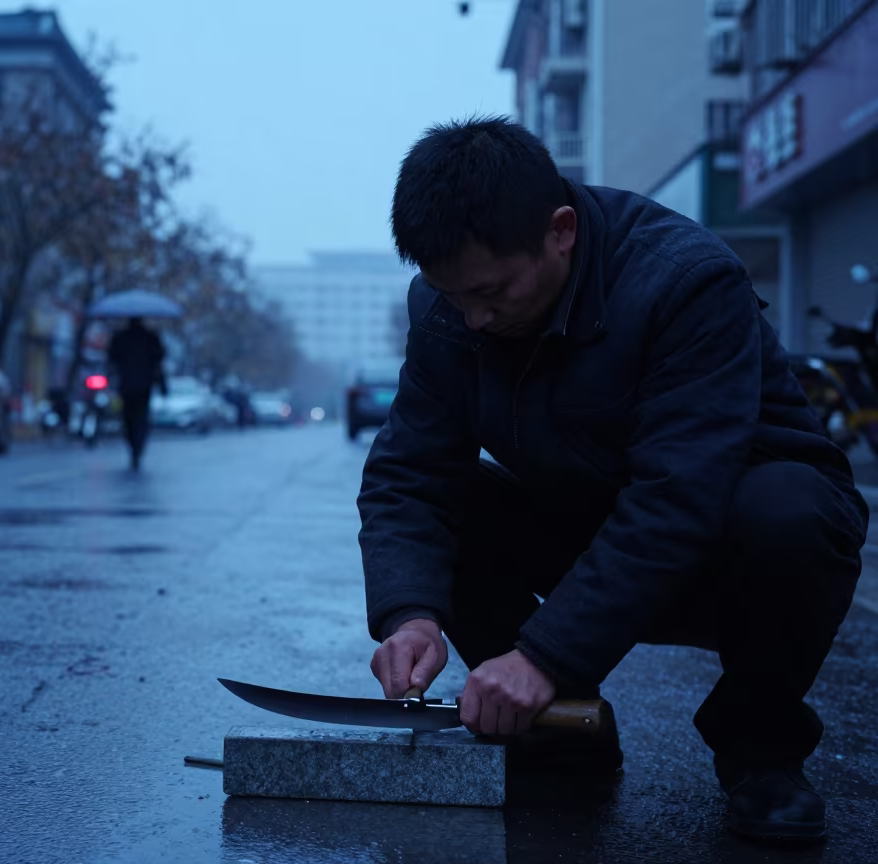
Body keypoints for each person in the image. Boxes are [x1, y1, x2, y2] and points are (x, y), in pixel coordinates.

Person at [358, 117, 868, 844]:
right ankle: (563, 730)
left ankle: (763, 751)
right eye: (454, 296)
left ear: (560, 231)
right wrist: (411, 614)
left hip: (725, 542)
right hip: (587, 522)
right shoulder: (452, 311)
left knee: (790, 511)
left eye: (492, 292)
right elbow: (409, 474)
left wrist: (542, 654)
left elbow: (677, 496)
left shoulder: (686, 282)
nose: (473, 317)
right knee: (459, 502)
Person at [109, 317, 167, 470]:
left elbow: (111, 357)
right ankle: (137, 447)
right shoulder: (150, 337)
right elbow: (159, 359)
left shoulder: (121, 337)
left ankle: (134, 446)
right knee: (140, 417)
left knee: (128, 417)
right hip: (143, 385)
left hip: (127, 384)